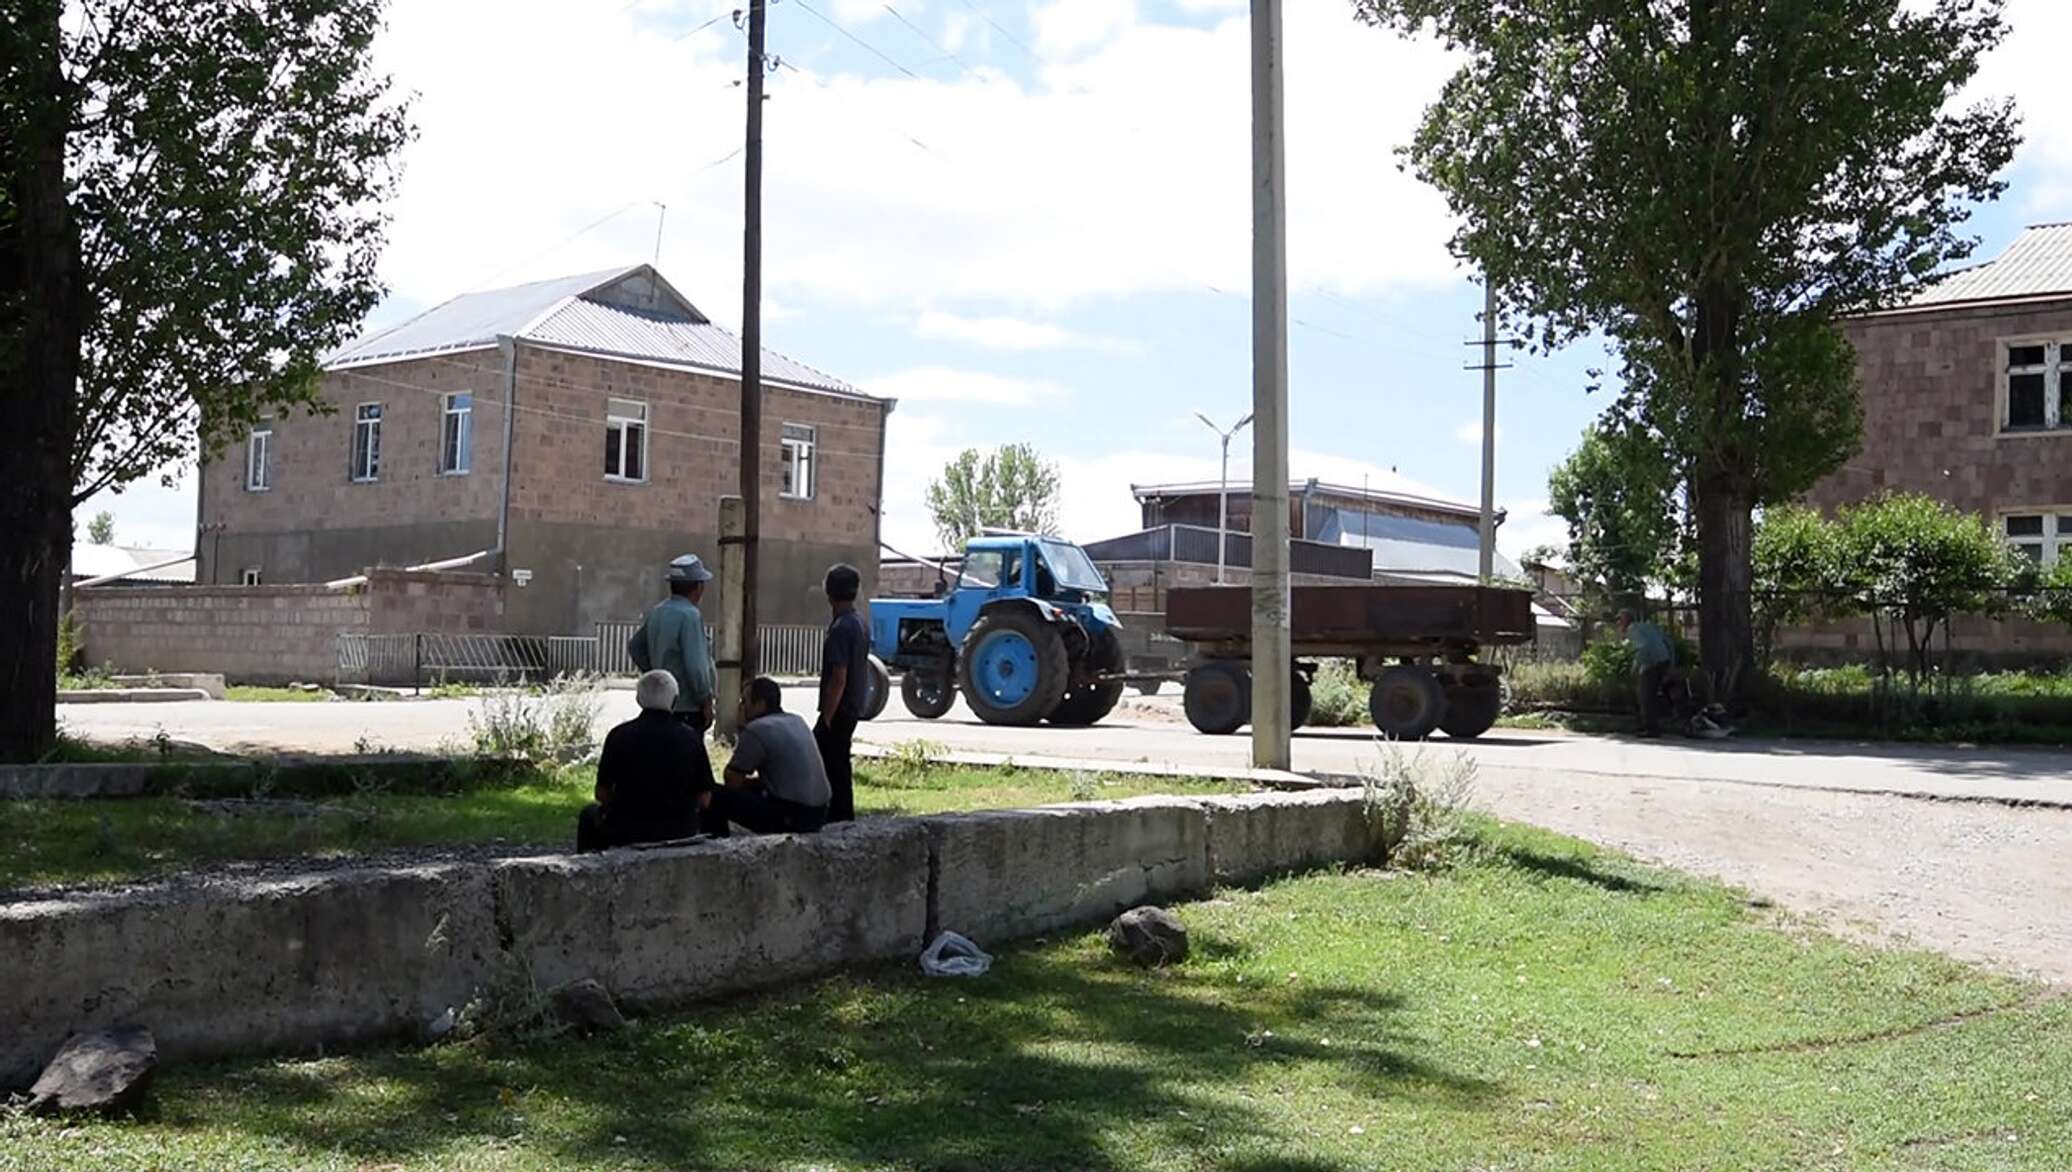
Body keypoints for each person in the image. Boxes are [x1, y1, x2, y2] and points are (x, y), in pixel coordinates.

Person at [576, 670, 714, 852]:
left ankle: (592, 872)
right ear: (674, 700)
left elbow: (602, 793)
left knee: (589, 814)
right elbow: (705, 798)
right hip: (680, 829)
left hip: (627, 829)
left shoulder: (619, 736)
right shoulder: (691, 738)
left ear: (638, 700)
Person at [707, 677, 831, 835]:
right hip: (820, 813)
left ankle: (718, 844)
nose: (739, 707)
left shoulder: (757, 729)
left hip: (793, 816)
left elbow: (732, 780)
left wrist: (740, 728)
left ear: (760, 704)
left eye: (744, 702)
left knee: (711, 794)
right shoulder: (797, 720)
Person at [628, 553, 717, 730]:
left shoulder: (658, 611)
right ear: (699, 587)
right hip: (687, 706)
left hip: (660, 703)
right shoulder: (690, 615)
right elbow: (696, 666)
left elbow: (635, 647)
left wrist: (656, 674)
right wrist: (705, 700)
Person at [817, 563, 870, 823]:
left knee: (831, 763)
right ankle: (842, 814)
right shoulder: (859, 623)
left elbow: (838, 677)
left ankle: (836, 816)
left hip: (839, 709)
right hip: (853, 706)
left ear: (828, 592)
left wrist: (826, 716)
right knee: (839, 763)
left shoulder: (840, 628)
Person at [1618, 608, 1675, 737]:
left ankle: (1651, 729)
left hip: (1652, 663)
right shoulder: (1648, 626)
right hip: (1663, 660)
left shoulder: (1632, 629)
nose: (1618, 623)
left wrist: (1636, 666)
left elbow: (1643, 648)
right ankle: (1654, 724)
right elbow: (1668, 642)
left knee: (1645, 696)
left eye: (1620, 620)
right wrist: (1671, 662)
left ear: (1625, 621)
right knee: (1653, 695)